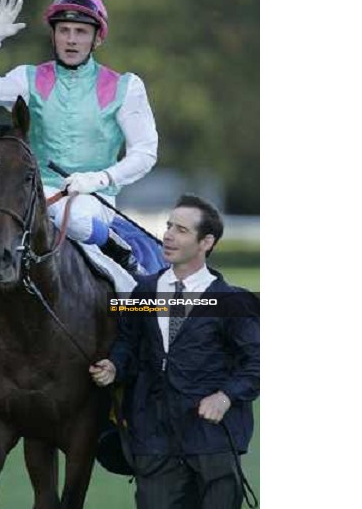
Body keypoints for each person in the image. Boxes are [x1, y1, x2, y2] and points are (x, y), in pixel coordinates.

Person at [0, 0, 158, 273]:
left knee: (75, 218)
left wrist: (98, 179)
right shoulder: (28, 78)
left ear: (97, 38)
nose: (71, 39)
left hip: (92, 197)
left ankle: (123, 256)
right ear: (53, 36)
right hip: (35, 193)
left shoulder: (126, 87)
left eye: (80, 31)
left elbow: (145, 153)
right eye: (63, 30)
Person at [90, 194, 259, 509]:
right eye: (169, 226)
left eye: (181, 230)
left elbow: (257, 364)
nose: (168, 235)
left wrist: (225, 396)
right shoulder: (143, 292)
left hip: (213, 439)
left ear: (206, 242)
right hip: (153, 438)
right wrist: (114, 366)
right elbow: (128, 344)